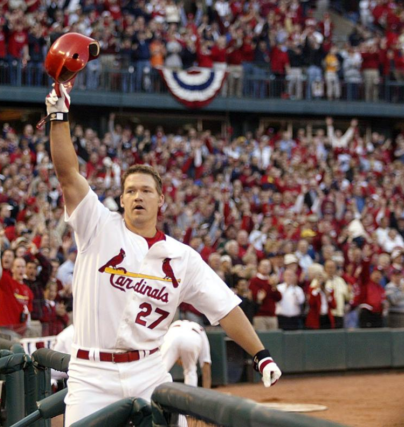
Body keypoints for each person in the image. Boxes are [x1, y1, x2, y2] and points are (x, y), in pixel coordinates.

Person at [44, 81, 280, 425]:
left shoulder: (183, 257)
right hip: (91, 372)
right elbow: (68, 175)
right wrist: (59, 116)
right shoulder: (97, 225)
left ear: (161, 200)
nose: (137, 196)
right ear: (121, 199)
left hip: (149, 372)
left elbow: (226, 308)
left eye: (146, 190)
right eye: (130, 191)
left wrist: (262, 355)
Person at [160, 320, 212, 388]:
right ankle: (190, 397)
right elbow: (206, 364)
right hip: (193, 336)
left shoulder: (175, 324)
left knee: (161, 369)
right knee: (190, 371)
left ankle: (150, 395)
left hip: (173, 333)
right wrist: (207, 393)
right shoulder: (201, 331)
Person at [249, 259, 282, 331]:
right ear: (259, 267)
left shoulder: (272, 280)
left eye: (268, 266)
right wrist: (269, 284)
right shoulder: (254, 280)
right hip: (259, 315)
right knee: (262, 338)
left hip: (272, 314)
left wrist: (274, 287)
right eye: (263, 266)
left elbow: (278, 298)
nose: (266, 268)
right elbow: (258, 296)